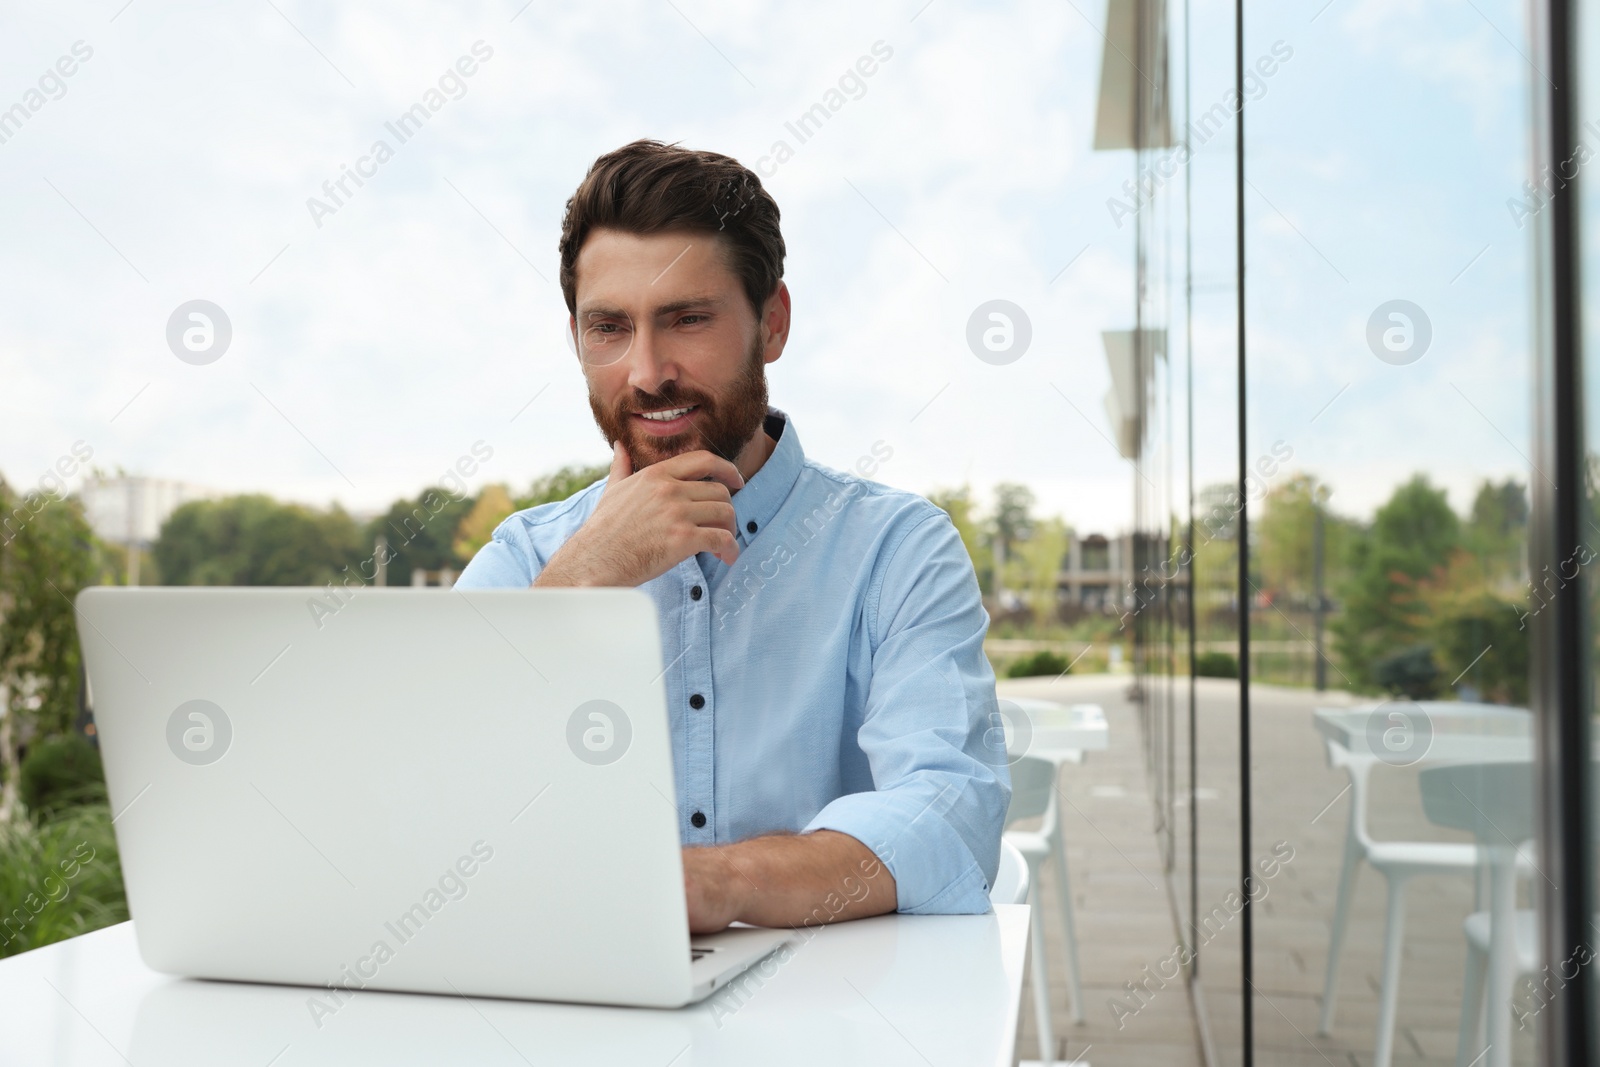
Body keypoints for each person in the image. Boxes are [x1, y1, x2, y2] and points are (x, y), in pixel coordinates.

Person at [456, 139, 1010, 933]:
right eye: (609, 327)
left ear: (772, 323)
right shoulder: (528, 558)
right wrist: (584, 581)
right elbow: (424, 797)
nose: (647, 372)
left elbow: (951, 813)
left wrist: (718, 883)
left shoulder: (898, 550)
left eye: (687, 319)